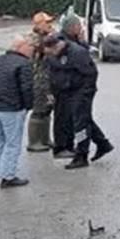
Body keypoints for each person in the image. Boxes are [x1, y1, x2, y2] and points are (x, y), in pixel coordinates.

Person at [44, 35, 113, 169]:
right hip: (64, 92)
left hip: (80, 92)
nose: (51, 55)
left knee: (80, 124)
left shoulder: (78, 53)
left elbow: (91, 74)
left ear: (57, 45)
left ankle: (82, 155)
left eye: (52, 52)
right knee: (83, 120)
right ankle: (103, 143)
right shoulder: (53, 55)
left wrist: (84, 93)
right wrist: (51, 91)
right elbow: (52, 73)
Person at [0, 35, 34, 187]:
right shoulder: (23, 64)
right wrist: (28, 106)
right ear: (21, 47)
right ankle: (8, 176)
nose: (31, 50)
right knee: (12, 143)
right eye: (29, 47)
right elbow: (26, 88)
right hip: (13, 108)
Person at [28, 12, 56, 155]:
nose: (50, 24)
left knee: (47, 110)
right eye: (47, 22)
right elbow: (43, 49)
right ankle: (34, 142)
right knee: (38, 111)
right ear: (38, 24)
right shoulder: (34, 38)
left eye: (50, 21)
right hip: (38, 80)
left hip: (48, 79)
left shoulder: (47, 37)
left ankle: (45, 139)